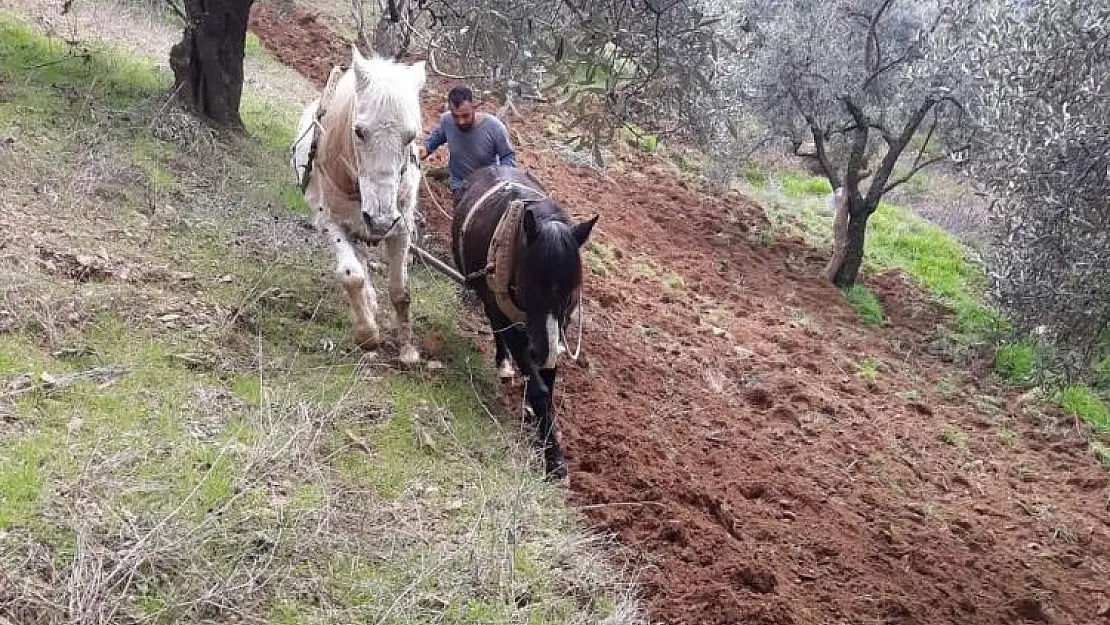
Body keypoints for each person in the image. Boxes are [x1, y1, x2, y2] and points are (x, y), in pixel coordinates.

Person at [418, 85, 517, 203]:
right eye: (456, 116)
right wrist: (423, 150)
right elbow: (434, 141)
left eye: (465, 115)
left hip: (488, 188)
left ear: (473, 106)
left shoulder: (495, 127)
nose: (461, 121)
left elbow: (508, 155)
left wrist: (502, 180)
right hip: (460, 187)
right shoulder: (446, 121)